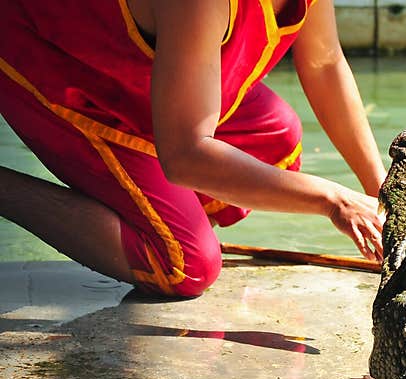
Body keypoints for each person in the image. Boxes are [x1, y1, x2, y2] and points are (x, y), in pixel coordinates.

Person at [0, 0, 386, 297]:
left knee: (276, 139)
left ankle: (163, 214)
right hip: (57, 65)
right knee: (183, 266)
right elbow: (185, 156)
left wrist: (381, 190)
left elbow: (324, 62)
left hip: (145, 76)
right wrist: (333, 199)